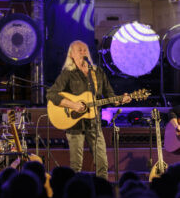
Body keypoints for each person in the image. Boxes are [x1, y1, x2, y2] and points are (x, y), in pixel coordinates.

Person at [46, 40, 131, 179]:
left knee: (102, 163)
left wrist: (120, 100)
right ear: (71, 54)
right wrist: (73, 105)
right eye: (79, 50)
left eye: (85, 49)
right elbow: (51, 94)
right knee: (76, 165)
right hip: (74, 124)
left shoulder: (97, 73)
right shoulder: (68, 74)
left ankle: (102, 192)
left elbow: (110, 95)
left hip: (95, 123)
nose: (83, 52)